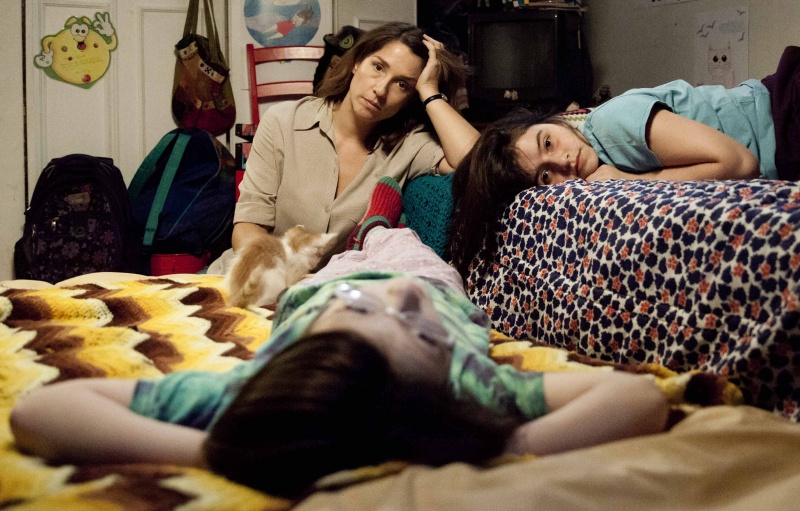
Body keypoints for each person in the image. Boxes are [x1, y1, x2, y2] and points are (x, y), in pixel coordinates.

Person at [10, 177, 669, 499]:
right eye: (423, 336)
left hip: (316, 293)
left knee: (326, 267)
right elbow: (638, 398)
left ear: (299, 353)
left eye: (364, 313)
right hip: (437, 284)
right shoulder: (466, 389)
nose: (399, 302)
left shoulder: (257, 390)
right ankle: (379, 227)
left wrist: (217, 450)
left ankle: (359, 237)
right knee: (406, 250)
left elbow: (41, 412)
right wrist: (504, 443)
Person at [448, 45, 800, 278]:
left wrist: (628, 182)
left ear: (554, 121)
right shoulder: (589, 168)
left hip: (786, 111)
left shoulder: (609, 124)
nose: (563, 162)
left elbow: (741, 163)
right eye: (544, 176)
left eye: (548, 142)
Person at [208, 22, 480, 274]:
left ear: (411, 98)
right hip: (252, 278)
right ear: (357, 62)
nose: (380, 89)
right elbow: (247, 228)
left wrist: (430, 90)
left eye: (402, 84)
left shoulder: (409, 145)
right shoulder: (283, 121)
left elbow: (477, 160)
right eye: (378, 67)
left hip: (331, 294)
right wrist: (287, 280)